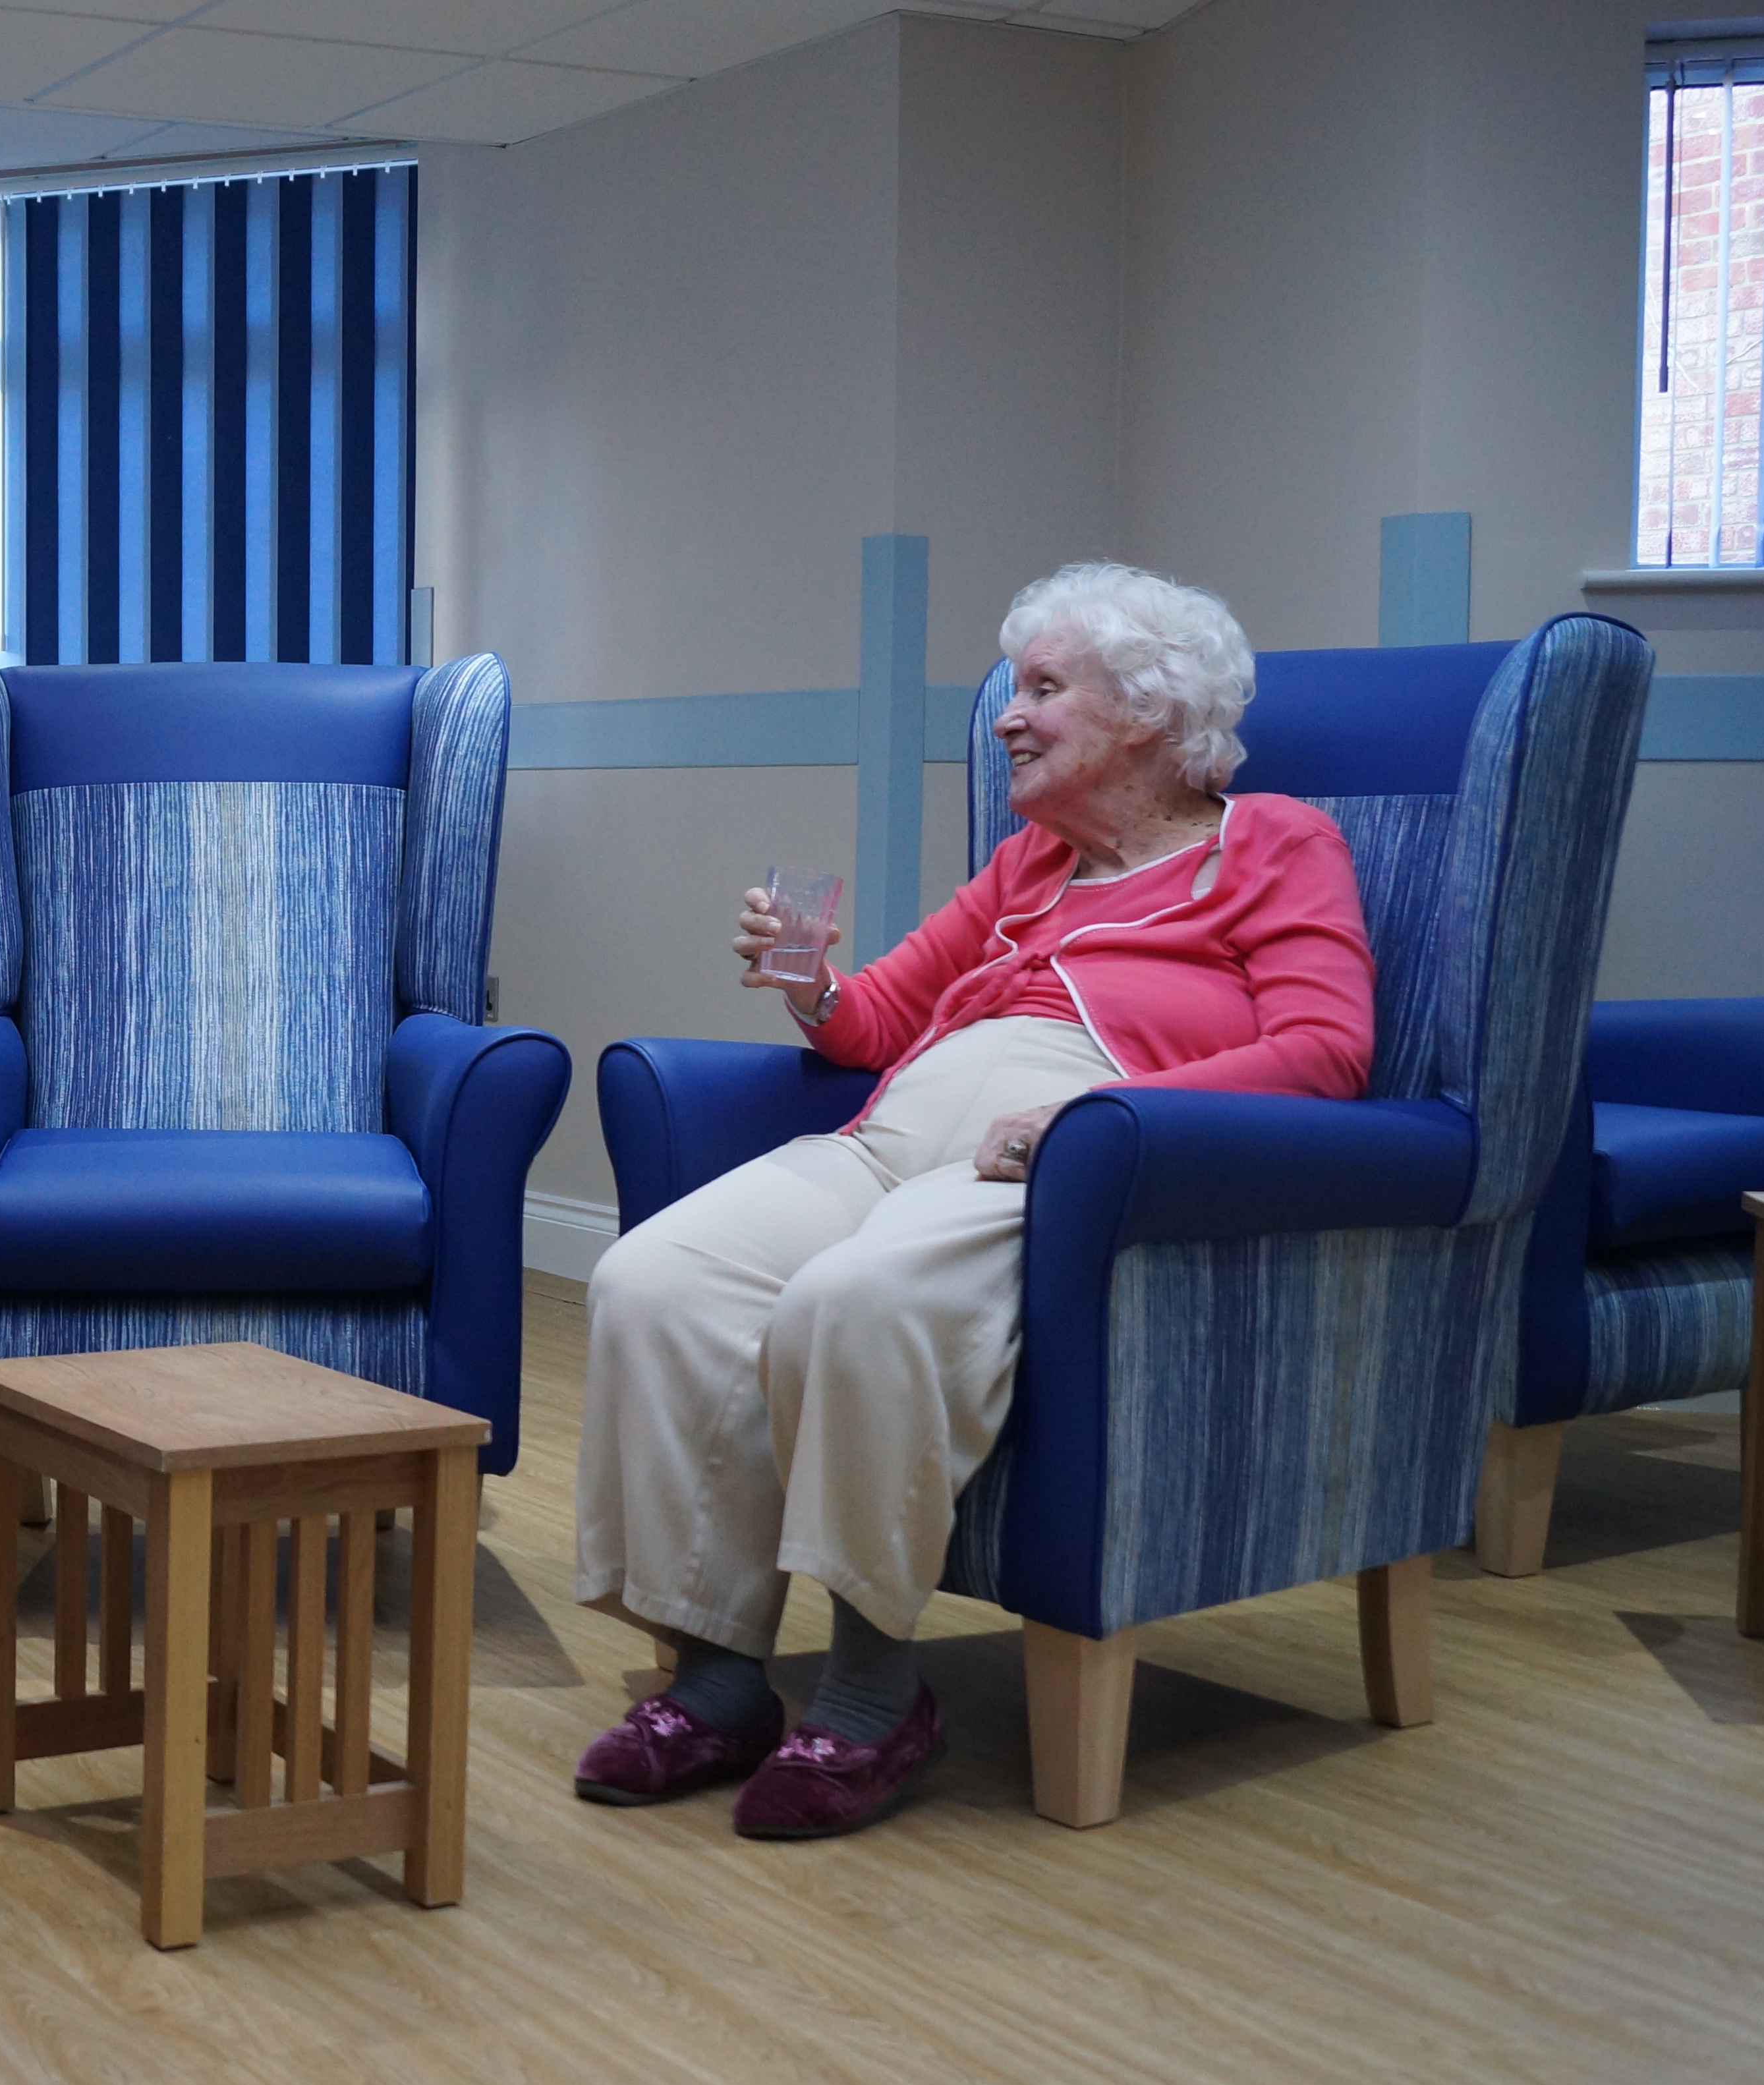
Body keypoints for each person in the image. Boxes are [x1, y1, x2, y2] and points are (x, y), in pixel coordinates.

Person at [571, 563, 1373, 1841]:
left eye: (1043, 687)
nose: (1006, 713)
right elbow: (878, 1020)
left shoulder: (1273, 845)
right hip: (893, 1136)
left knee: (857, 1297)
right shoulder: (1027, 866)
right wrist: (813, 983)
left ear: (1151, 711)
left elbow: (1331, 1051)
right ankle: (719, 1681)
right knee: (653, 1279)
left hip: (1064, 1157)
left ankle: (872, 1695)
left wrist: (1099, 1120)